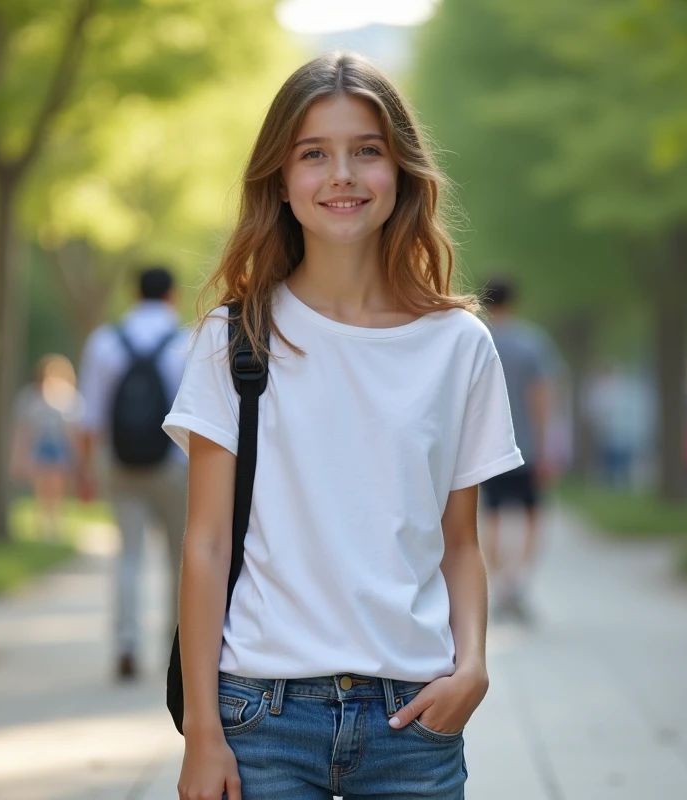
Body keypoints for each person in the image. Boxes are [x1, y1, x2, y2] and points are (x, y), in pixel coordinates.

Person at [165, 52, 521, 800]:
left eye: (366, 150)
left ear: (402, 170)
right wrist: (202, 731)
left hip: (413, 720)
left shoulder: (459, 346)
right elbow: (206, 543)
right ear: (279, 179)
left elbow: (460, 542)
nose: (342, 176)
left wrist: (473, 668)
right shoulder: (235, 338)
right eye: (313, 154)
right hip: (262, 716)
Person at [78, 266, 188, 682]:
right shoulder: (187, 340)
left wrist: (86, 470)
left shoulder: (105, 341)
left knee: (128, 554)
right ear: (172, 296)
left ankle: (126, 644)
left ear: (133, 295)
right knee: (181, 558)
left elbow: (90, 416)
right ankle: (176, 649)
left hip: (119, 462)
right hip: (175, 464)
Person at [478, 277, 556, 622]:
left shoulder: (476, 338)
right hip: (526, 446)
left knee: (491, 516)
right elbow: (540, 397)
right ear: (514, 300)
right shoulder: (532, 343)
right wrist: (545, 446)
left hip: (486, 446)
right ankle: (518, 581)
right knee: (532, 515)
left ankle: (498, 583)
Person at [10, 353, 83, 541]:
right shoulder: (31, 397)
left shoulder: (69, 397)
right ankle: (44, 524)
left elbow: (75, 430)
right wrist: (19, 456)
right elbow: (23, 429)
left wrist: (78, 455)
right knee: (42, 485)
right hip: (39, 445)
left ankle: (55, 524)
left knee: (57, 485)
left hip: (59, 447)